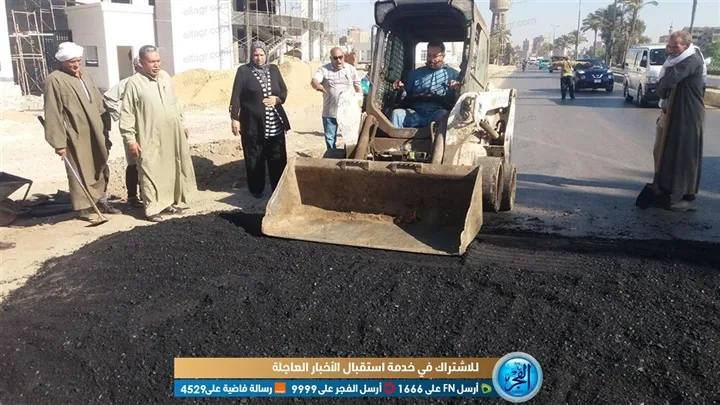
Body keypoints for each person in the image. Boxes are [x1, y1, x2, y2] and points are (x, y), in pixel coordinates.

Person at [43, 41, 121, 222]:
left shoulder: (85, 74)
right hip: (75, 133)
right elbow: (53, 112)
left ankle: (102, 200)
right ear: (62, 61)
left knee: (100, 163)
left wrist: (105, 126)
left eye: (78, 60)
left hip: (97, 129)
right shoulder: (55, 80)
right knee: (79, 168)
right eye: (72, 62)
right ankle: (83, 206)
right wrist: (59, 143)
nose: (76, 64)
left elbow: (98, 101)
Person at [119, 45, 197, 222]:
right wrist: (130, 139)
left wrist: (182, 123)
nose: (156, 65)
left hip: (171, 134)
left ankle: (167, 203)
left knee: (170, 168)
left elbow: (175, 102)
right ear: (141, 62)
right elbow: (127, 113)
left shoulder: (165, 77)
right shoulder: (134, 83)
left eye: (158, 61)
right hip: (149, 135)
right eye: (151, 62)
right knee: (151, 170)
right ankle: (152, 209)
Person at [229, 41, 291, 198]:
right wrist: (235, 118)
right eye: (255, 55)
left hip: (274, 123)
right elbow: (236, 96)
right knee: (254, 156)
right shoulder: (243, 71)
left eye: (262, 55)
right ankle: (256, 189)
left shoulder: (274, 69)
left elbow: (283, 90)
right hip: (252, 124)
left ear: (266, 55)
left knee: (277, 156)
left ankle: (279, 189)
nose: (259, 58)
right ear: (251, 56)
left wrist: (278, 99)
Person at [652, 31, 705, 212]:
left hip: (688, 115)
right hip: (671, 113)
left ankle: (684, 197)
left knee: (684, 155)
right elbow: (664, 86)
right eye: (669, 46)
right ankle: (664, 188)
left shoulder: (691, 61)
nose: (671, 49)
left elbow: (667, 83)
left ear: (686, 46)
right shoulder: (674, 61)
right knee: (665, 153)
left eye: (676, 46)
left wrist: (662, 87)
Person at [103, 56, 144, 208]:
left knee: (150, 162)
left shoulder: (154, 83)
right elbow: (108, 98)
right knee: (133, 162)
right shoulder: (127, 83)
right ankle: (132, 196)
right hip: (132, 129)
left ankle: (147, 194)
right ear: (136, 67)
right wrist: (124, 114)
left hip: (150, 128)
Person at [390, 42, 460, 128]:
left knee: (444, 115)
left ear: (443, 56)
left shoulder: (453, 75)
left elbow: (458, 99)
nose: (431, 59)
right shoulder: (414, 74)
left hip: (436, 114)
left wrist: (456, 88)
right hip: (415, 113)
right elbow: (405, 96)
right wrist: (401, 90)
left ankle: (439, 137)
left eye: (435, 56)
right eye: (429, 55)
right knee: (396, 114)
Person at [311, 47, 362, 150]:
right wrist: (317, 85)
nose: (338, 60)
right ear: (331, 58)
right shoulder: (324, 70)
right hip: (330, 112)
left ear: (344, 57)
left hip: (347, 112)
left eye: (340, 57)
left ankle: (348, 156)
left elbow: (358, 87)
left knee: (350, 140)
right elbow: (314, 80)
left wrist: (360, 102)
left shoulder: (351, 69)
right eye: (335, 58)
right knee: (330, 139)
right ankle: (331, 156)